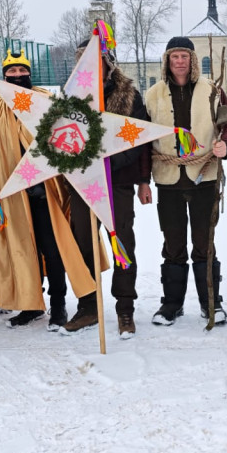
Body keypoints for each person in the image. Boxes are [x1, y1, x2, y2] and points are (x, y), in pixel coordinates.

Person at [0, 49, 94, 331]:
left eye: (22, 71)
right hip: (12, 195)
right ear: (4, 74)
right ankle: (31, 305)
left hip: (45, 191)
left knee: (52, 249)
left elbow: (67, 141)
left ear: (29, 73)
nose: (17, 76)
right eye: (11, 72)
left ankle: (58, 306)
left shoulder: (47, 102)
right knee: (22, 249)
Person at [143, 37, 227, 326]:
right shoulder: (153, 95)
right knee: (172, 245)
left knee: (204, 243)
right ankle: (171, 304)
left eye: (185, 56)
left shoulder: (213, 91)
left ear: (193, 60)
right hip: (168, 180)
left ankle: (211, 303)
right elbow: (142, 139)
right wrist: (142, 181)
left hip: (204, 178)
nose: (180, 62)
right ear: (167, 61)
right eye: (175, 57)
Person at [63, 38, 151, 339]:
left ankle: (125, 307)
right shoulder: (70, 97)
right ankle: (88, 305)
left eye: (98, 59)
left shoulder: (128, 95)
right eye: (85, 60)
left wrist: (107, 164)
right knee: (84, 244)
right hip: (83, 184)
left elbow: (139, 137)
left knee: (122, 244)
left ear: (108, 62)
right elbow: (58, 135)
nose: (92, 65)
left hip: (117, 182)